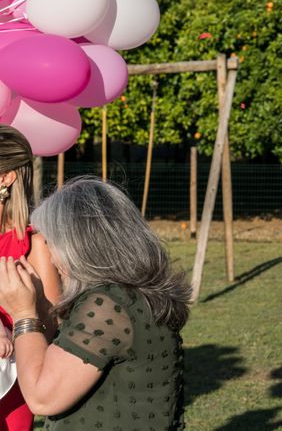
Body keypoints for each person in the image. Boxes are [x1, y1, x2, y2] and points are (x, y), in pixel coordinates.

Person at [0, 177, 192, 430]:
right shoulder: (127, 295)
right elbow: (58, 358)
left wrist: (23, 314)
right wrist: (38, 303)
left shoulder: (109, 304)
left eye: (51, 243)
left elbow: (42, 398)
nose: (52, 257)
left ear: (77, 243)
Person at [0, 125, 61, 431]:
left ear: (5, 178)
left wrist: (23, 309)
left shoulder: (33, 246)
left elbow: (54, 331)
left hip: (7, 384)